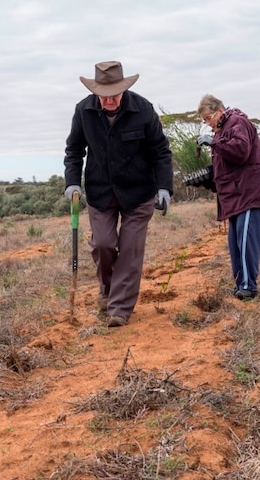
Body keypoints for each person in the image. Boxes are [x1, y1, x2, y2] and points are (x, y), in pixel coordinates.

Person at [64, 61, 173, 328]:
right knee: (102, 244)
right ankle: (108, 290)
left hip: (139, 193)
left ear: (125, 89)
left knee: (130, 250)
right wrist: (72, 183)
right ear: (96, 91)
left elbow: (161, 151)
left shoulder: (143, 109)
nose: (110, 100)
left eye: (115, 94)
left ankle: (119, 309)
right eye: (104, 95)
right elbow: (74, 150)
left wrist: (164, 187)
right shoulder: (84, 111)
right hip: (101, 191)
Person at [196, 94, 260, 301]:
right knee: (235, 242)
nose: (208, 124)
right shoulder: (223, 129)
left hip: (249, 193)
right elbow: (228, 166)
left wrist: (213, 142)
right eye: (205, 121)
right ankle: (241, 284)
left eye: (209, 118)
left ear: (219, 110)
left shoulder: (236, 122)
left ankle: (249, 286)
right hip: (236, 194)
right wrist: (208, 178)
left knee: (246, 241)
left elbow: (240, 151)